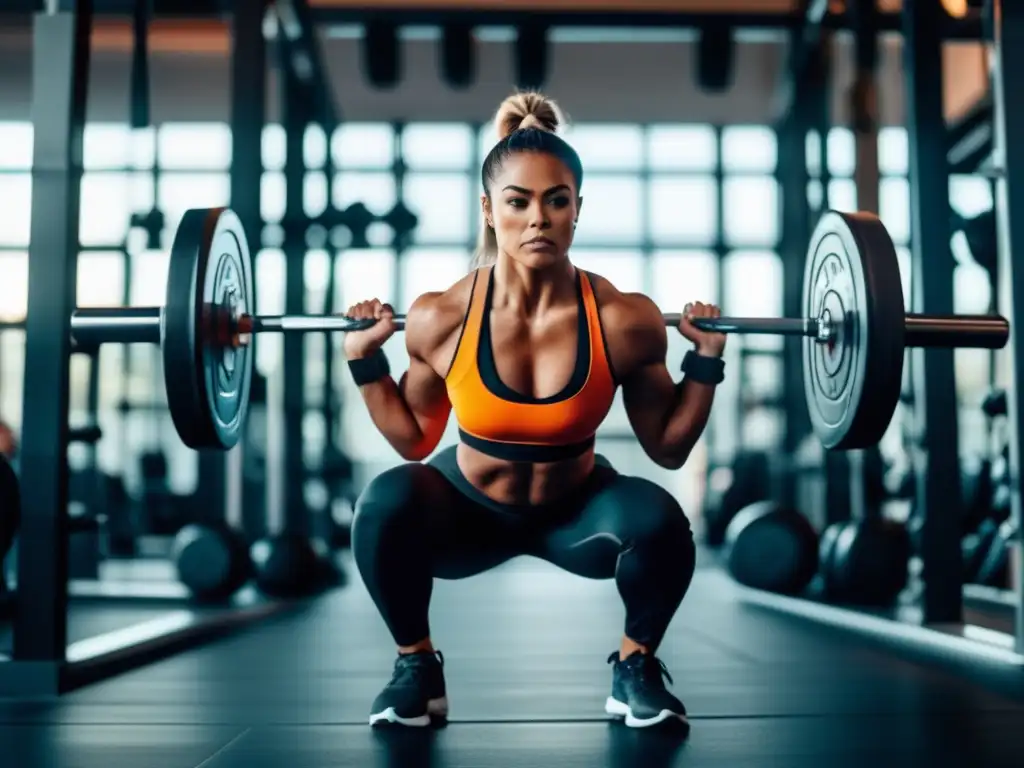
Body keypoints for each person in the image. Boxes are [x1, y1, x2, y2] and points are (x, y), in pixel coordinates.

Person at [344, 91, 727, 731]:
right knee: (384, 504)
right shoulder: (441, 317)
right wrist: (365, 363)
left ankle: (634, 667)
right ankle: (417, 668)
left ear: (578, 209)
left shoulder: (624, 319)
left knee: (659, 520)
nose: (538, 220)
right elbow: (414, 441)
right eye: (518, 203)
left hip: (576, 514)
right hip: (466, 514)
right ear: (490, 211)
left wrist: (706, 361)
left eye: (556, 201)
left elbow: (668, 447)